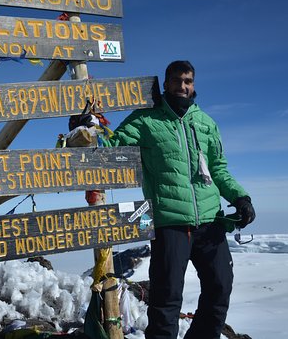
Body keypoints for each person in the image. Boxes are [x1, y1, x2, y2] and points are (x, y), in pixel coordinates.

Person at [109, 60, 255, 339]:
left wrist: (240, 196)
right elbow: (113, 145)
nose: (182, 86)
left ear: (193, 85)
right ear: (166, 84)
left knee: (220, 287)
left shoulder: (205, 123)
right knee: (167, 297)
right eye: (176, 81)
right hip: (170, 223)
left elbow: (218, 169)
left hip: (210, 221)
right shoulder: (145, 119)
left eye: (188, 81)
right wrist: (90, 130)